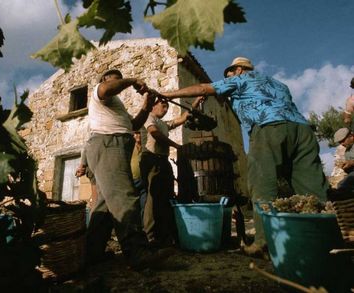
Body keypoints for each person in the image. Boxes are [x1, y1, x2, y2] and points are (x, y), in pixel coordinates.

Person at [160, 57, 329, 256]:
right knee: (312, 188)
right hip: (302, 130)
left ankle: (264, 242)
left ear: (239, 69)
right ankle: (324, 239)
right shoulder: (279, 84)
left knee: (262, 183)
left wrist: (165, 93)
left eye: (229, 73)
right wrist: (200, 103)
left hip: (269, 128)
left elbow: (206, 88)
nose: (228, 77)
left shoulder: (243, 79)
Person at [84, 68, 173, 269]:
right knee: (125, 197)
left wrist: (146, 105)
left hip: (114, 145)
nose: (119, 79)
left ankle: (92, 253)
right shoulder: (101, 92)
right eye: (115, 77)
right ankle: (138, 253)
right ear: (104, 79)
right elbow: (108, 88)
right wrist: (133, 80)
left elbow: (133, 125)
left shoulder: (115, 106)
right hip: (108, 144)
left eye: (120, 77)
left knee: (106, 205)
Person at [140, 96, 205, 247]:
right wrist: (176, 145)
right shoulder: (148, 117)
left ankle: (165, 235)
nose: (166, 107)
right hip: (151, 160)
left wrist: (195, 102)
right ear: (152, 106)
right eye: (162, 104)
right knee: (153, 198)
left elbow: (183, 118)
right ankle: (149, 236)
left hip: (163, 161)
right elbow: (155, 134)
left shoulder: (163, 123)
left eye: (167, 105)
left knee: (167, 197)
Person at [333, 127, 354, 194]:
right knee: (341, 185)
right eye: (340, 142)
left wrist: (352, 162)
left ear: (351, 136)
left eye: (342, 141)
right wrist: (345, 166)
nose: (341, 144)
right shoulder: (347, 151)